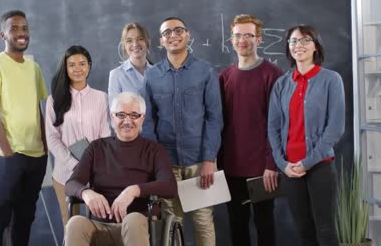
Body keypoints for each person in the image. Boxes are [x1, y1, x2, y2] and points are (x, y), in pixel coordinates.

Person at [142, 17, 222, 246]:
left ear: (187, 35)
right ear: (161, 41)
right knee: (171, 221)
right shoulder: (152, 75)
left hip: (199, 161)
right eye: (167, 32)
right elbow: (148, 121)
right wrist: (158, 162)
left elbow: (214, 118)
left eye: (179, 30)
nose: (173, 35)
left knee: (203, 220)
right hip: (167, 163)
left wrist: (209, 159)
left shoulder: (205, 71)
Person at [65, 92, 177, 246]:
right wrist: (86, 192)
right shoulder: (96, 148)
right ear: (112, 117)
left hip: (139, 226)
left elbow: (170, 186)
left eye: (134, 115)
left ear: (142, 118)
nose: (127, 121)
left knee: (133, 219)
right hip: (100, 226)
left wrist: (133, 190)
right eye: (121, 115)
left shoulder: (154, 151)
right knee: (75, 223)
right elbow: (71, 184)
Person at [268, 24, 345, 246]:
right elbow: (272, 127)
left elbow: (335, 128)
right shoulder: (282, 84)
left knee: (326, 229)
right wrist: (282, 164)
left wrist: (307, 162)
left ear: (315, 46)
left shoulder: (331, 80)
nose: (298, 45)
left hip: (319, 165)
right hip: (290, 169)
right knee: (303, 230)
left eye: (304, 40)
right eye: (293, 41)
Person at [0, 10, 48, 246]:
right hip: (6, 156)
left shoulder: (34, 68)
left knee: (25, 219)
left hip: (35, 155)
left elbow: (38, 110)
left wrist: (45, 148)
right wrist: (8, 152)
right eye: (15, 29)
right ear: (3, 35)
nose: (21, 33)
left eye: (25, 28)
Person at [217, 14, 283, 246]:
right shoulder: (224, 77)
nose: (242, 40)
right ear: (231, 39)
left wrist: (271, 165)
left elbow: (278, 124)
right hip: (231, 168)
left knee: (265, 226)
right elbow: (219, 124)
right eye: (237, 35)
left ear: (259, 39)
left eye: (248, 35)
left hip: (262, 169)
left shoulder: (272, 75)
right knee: (237, 227)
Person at [45, 45, 111, 227]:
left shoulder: (102, 98)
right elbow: (52, 138)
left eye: (82, 63)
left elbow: (105, 136)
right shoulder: (54, 100)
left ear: (89, 66)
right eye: (72, 64)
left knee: (97, 225)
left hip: (96, 175)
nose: (77, 69)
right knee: (70, 225)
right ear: (65, 68)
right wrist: (74, 164)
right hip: (65, 174)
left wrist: (91, 165)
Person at [108, 22, 152, 103]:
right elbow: (114, 111)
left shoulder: (158, 72)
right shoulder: (116, 75)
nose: (135, 44)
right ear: (124, 45)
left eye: (140, 39)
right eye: (129, 41)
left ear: (147, 42)